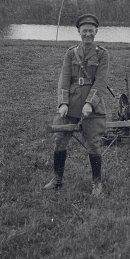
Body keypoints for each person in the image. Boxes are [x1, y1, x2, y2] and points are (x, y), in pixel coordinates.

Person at [44, 13, 110, 196]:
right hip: (71, 105)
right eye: (84, 31)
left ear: (96, 32)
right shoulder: (71, 53)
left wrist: (90, 103)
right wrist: (62, 104)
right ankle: (57, 179)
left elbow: (101, 82)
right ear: (79, 32)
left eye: (91, 31)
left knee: (94, 145)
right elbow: (64, 80)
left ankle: (97, 184)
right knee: (59, 141)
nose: (88, 34)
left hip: (93, 108)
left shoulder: (102, 54)